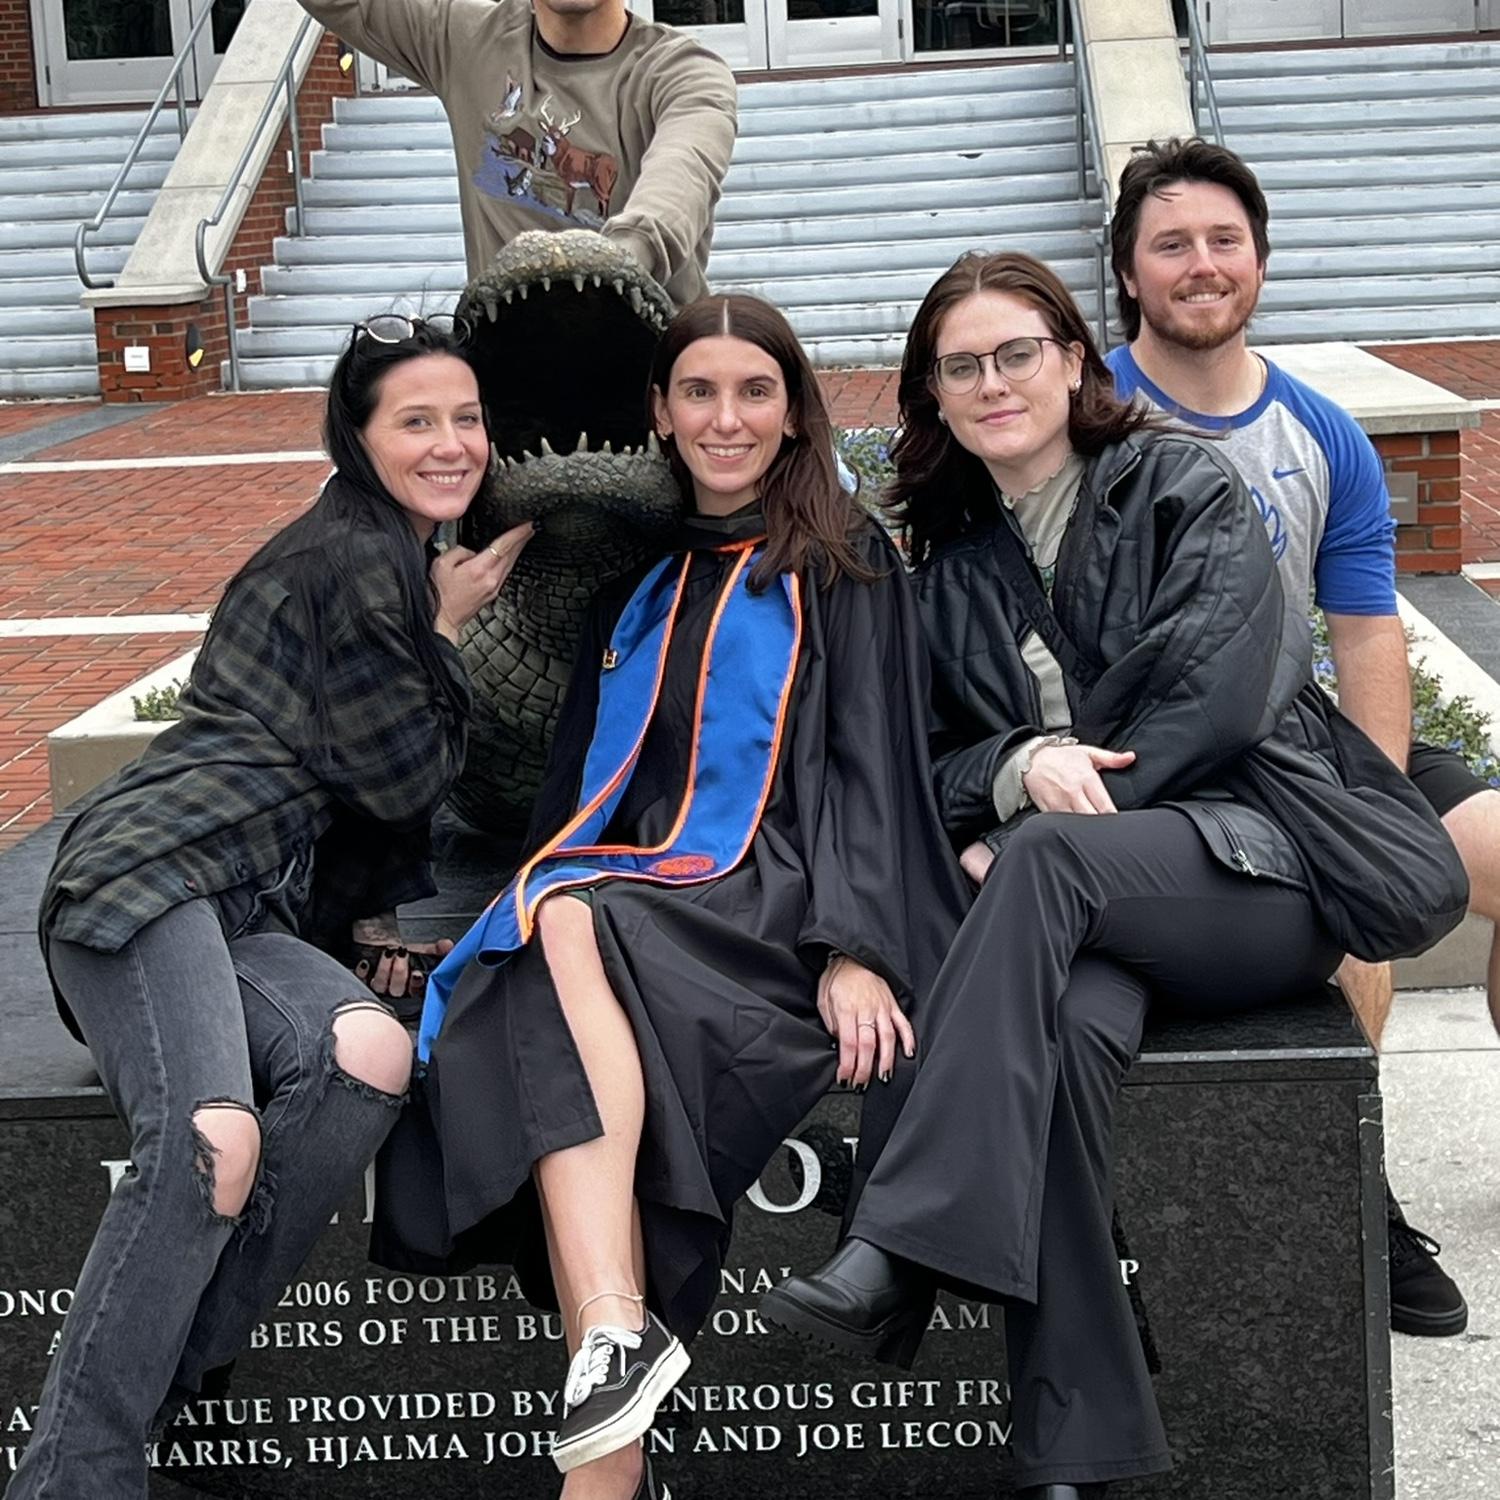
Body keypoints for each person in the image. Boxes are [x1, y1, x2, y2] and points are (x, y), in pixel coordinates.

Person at [759, 253, 1468, 1500]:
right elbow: (930, 759)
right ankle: (1073, 1447)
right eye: (961, 367)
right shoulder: (954, 560)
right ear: (933, 395)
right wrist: (1017, 766)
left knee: (1042, 862)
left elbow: (1225, 693)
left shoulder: (1180, 484)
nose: (993, 383)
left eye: (1016, 353)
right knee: (1067, 1036)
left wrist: (1051, 819)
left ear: (1076, 359)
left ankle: (894, 1239)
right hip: (1086, 914)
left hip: (1257, 871)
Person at [389, 294, 969, 1500]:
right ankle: (612, 1380)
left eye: (754, 392)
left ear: (794, 412)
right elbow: (571, 803)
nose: (725, 418)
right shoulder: (638, 592)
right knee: (537, 948)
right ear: (659, 411)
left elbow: (876, 768)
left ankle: (613, 1355)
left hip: (774, 902)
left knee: (561, 922)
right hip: (643, 901)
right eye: (698, 392)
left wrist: (857, 946)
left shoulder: (847, 567)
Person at [9, 315, 533, 1500]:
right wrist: (448, 630)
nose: (451, 443)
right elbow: (402, 774)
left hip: (245, 899)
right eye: (416, 420)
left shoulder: (386, 547)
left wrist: (357, 929)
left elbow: (344, 796)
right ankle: (73, 1475)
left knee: (367, 1056)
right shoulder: (358, 561)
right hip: (149, 872)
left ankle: (178, 1383)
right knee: (213, 1136)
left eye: (466, 418)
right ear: (359, 436)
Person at [1103, 135, 1486, 1338]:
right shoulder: (1089, 415)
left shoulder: (1320, 434)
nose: (1202, 265)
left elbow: (1364, 631)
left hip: (1309, 734)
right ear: (1128, 271)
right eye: (1172, 244)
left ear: (1261, 260)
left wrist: (1370, 800)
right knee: (1337, 916)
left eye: (1225, 240)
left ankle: (1354, 1170)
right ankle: (1355, 1184)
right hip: (1163, 753)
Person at [296, 0, 737, 305]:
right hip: (507, 369)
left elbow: (685, 166)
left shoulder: (683, 72)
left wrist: (625, 255)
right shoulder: (467, 40)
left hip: (650, 370)